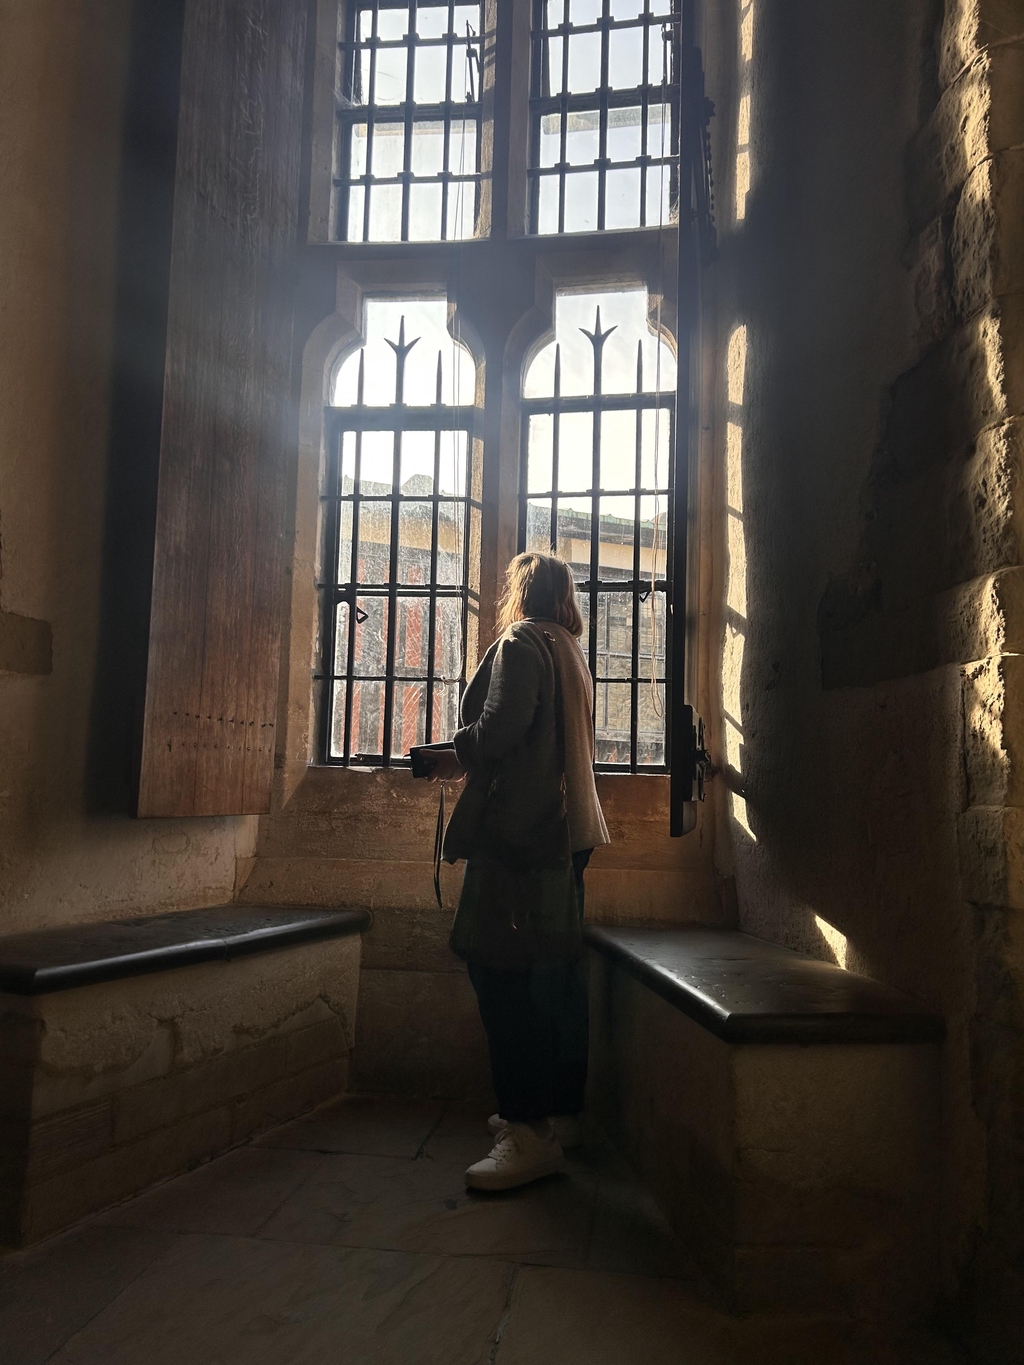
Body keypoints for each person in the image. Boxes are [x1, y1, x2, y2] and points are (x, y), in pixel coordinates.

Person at [426, 552, 610, 1191]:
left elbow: (501, 731)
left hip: (524, 838)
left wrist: (455, 750)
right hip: (570, 833)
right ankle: (554, 1115)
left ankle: (529, 1133)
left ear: (519, 591)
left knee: (501, 975)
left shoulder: (522, 641)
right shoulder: (571, 648)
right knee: (551, 975)